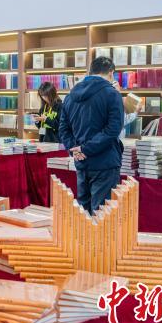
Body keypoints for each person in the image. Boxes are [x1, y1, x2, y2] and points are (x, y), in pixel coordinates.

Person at [59, 57, 124, 214]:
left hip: (81, 162)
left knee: (84, 212)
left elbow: (63, 129)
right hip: (105, 162)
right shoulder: (112, 94)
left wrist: (75, 149)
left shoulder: (70, 96)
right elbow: (113, 129)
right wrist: (84, 149)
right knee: (102, 215)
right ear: (111, 73)